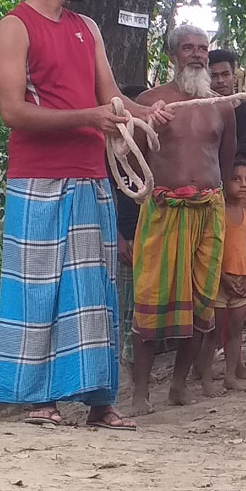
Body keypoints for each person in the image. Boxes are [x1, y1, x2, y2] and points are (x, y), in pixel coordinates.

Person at [0, 0, 171, 430]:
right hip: (37, 180)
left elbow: (111, 97)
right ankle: (39, 401)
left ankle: (99, 402)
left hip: (91, 178)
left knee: (95, 290)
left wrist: (145, 114)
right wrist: (89, 118)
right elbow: (12, 111)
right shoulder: (14, 27)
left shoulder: (86, 28)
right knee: (38, 288)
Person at [129, 23, 235, 413]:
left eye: (202, 48)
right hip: (162, 211)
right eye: (188, 47)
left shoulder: (222, 106)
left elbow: (224, 165)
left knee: (201, 303)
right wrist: (129, 228)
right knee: (149, 301)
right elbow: (133, 163)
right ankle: (140, 394)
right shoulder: (151, 102)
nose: (196, 54)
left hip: (209, 212)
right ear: (172, 55)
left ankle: (178, 385)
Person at [214, 160, 246, 390]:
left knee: (235, 331)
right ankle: (205, 377)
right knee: (213, 332)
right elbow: (214, 249)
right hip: (221, 282)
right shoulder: (217, 213)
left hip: (242, 282)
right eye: (236, 179)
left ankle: (230, 376)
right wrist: (222, 276)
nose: (242, 185)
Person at [113, 84, 147, 368]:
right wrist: (118, 238)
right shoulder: (111, 152)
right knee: (126, 302)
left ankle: (149, 349)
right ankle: (126, 355)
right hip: (126, 238)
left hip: (153, 234)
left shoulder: (153, 149)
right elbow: (106, 194)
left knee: (149, 298)